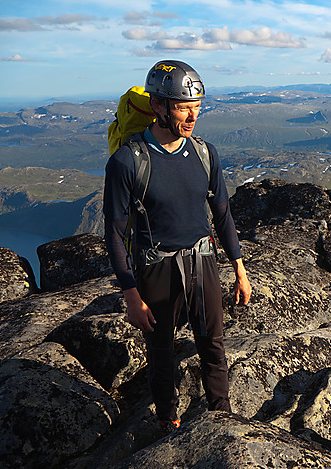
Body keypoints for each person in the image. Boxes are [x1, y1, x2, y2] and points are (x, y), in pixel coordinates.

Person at [103, 60, 251, 434]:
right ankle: (168, 419)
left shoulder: (205, 153)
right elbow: (115, 233)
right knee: (161, 352)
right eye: (184, 106)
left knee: (213, 345)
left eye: (197, 106)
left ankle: (221, 418)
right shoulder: (127, 161)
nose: (193, 115)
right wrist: (131, 295)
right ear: (158, 106)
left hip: (202, 261)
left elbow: (222, 213)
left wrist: (239, 268)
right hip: (157, 267)